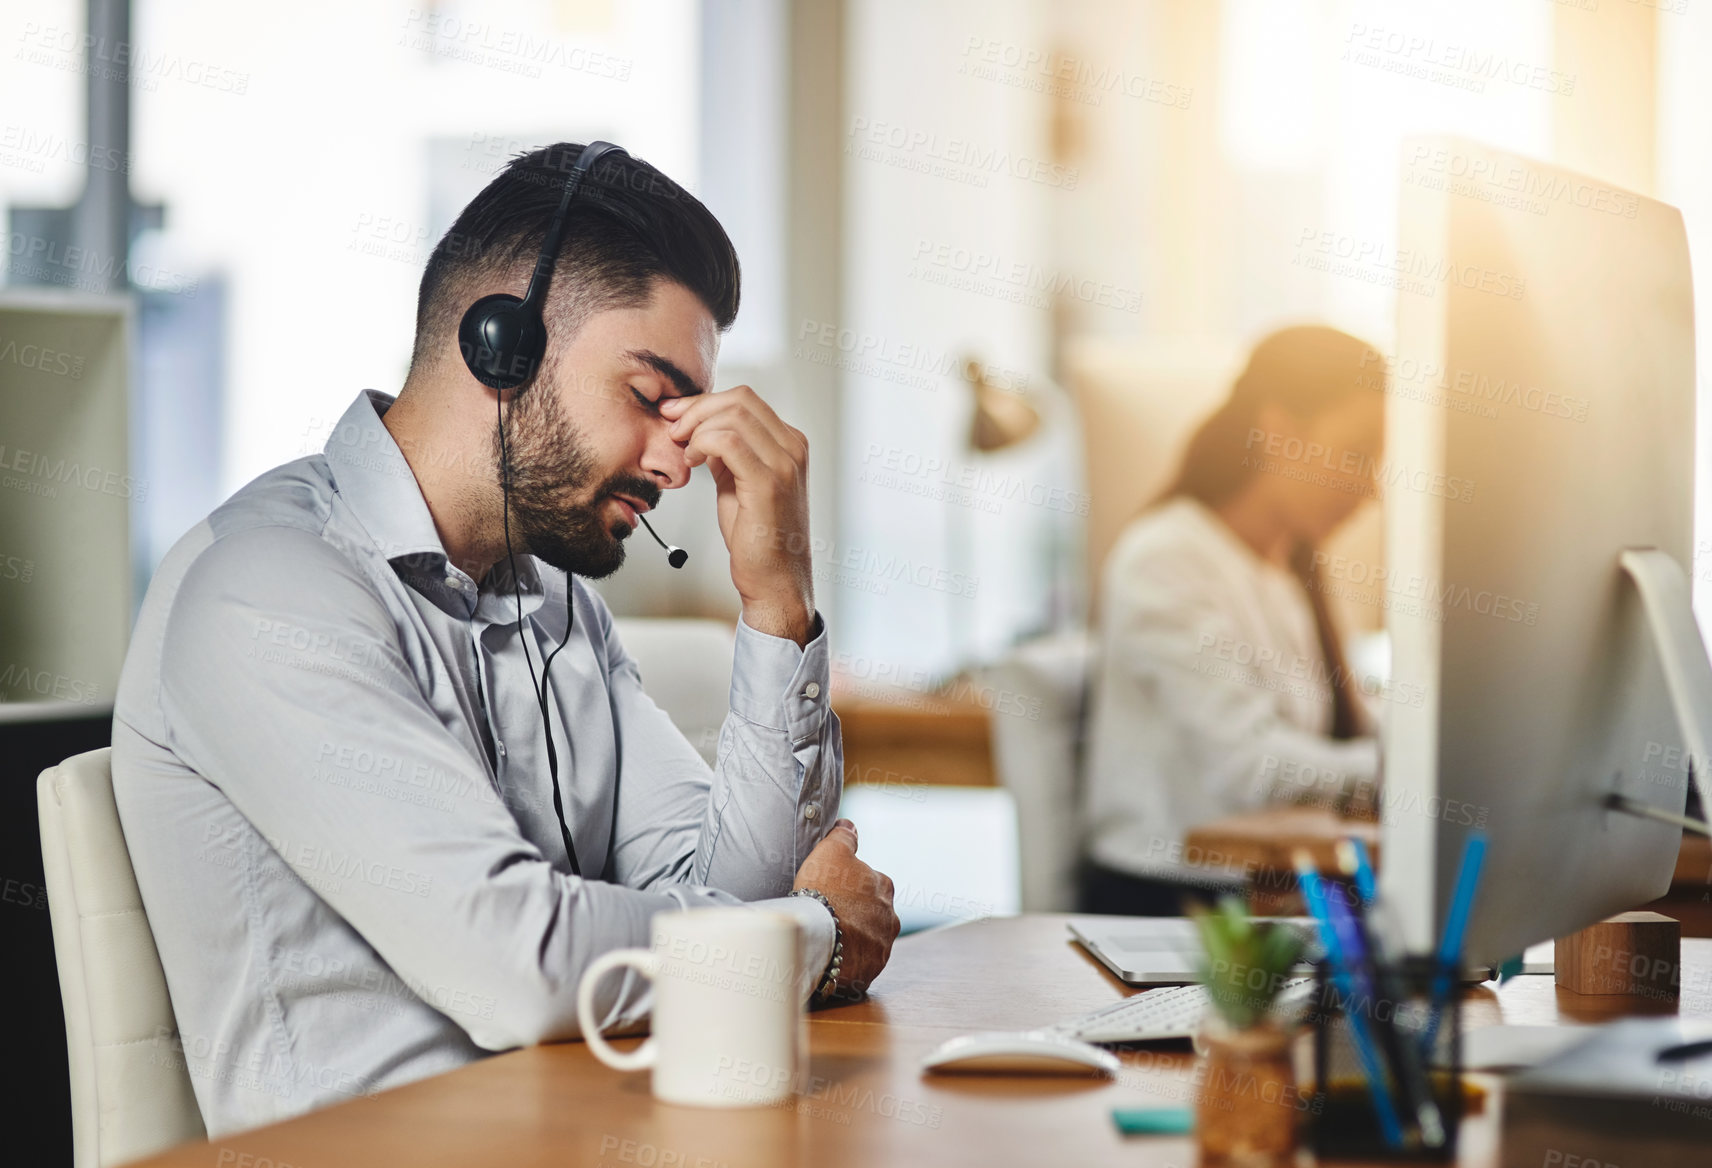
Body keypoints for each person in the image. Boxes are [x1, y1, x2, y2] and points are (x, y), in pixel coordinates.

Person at [111, 143, 899, 1137]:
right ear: (500, 343)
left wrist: (776, 602)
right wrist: (811, 937)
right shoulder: (267, 590)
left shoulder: (557, 605)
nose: (678, 462)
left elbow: (732, 890)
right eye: (651, 396)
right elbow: (516, 963)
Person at [1079, 325, 1386, 916]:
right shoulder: (1165, 559)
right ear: (1278, 433)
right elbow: (1251, 768)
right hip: (1172, 903)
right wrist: (1407, 771)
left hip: (1272, 888)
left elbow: (1345, 726)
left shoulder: (1292, 566)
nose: (1371, 487)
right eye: (1357, 453)